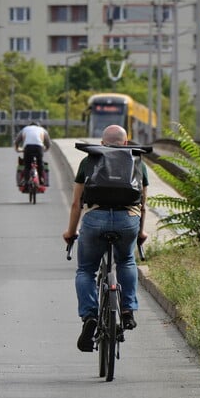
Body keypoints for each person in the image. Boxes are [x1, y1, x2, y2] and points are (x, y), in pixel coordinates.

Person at [62, 125, 148, 352]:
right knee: (126, 260)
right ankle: (127, 310)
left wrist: (70, 232)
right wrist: (141, 232)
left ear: (102, 144)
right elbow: (142, 204)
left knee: (86, 270)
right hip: (127, 220)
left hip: (95, 220)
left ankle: (90, 316)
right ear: (126, 143)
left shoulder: (89, 160)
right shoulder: (137, 161)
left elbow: (76, 203)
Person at [14, 121, 51, 185]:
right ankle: (41, 179)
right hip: (39, 147)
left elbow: (17, 142)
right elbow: (48, 144)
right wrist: (45, 149)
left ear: (29, 126)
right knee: (40, 164)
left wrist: (17, 149)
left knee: (27, 165)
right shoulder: (42, 130)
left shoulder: (25, 129)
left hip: (28, 148)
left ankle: (26, 181)